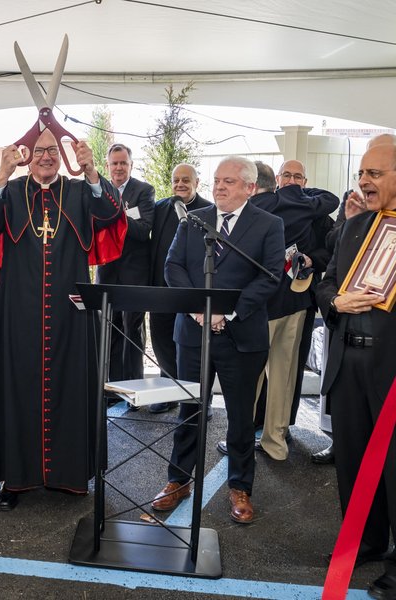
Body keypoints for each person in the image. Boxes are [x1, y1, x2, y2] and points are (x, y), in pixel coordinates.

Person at [0, 129, 126, 510]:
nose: (45, 157)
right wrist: (1, 174)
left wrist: (91, 172)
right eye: (38, 151)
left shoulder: (77, 191)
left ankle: (70, 475)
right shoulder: (11, 190)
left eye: (52, 151)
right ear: (27, 155)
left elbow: (111, 215)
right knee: (16, 391)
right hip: (19, 313)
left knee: (71, 387)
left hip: (70, 312)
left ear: (63, 155)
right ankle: (16, 478)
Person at [151, 156, 284, 524]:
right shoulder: (194, 220)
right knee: (189, 410)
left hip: (242, 336)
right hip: (193, 334)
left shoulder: (269, 225)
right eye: (217, 180)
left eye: (229, 181)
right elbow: (172, 266)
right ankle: (178, 481)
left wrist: (229, 313)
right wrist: (197, 308)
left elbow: (270, 276)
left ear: (250, 188)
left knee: (241, 416)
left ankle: (240, 487)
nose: (220, 187)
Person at [317, 143, 396, 599]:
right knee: (352, 461)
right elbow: (327, 282)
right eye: (361, 171)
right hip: (349, 362)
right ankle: (364, 541)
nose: (364, 181)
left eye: (375, 172)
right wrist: (336, 301)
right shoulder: (356, 226)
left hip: (392, 370)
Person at [233, 161, 337, 461]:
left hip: (289, 303)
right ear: (277, 179)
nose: (292, 181)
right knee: (263, 375)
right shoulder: (299, 203)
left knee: (280, 375)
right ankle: (257, 440)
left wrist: (308, 259)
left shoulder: (259, 205)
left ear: (305, 180)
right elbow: (330, 197)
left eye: (298, 176)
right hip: (264, 305)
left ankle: (269, 439)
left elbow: (324, 251)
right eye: (287, 175)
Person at [147, 163, 211, 413]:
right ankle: (170, 391)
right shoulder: (162, 207)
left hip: (190, 291)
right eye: (176, 180)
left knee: (190, 346)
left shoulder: (208, 209)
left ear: (196, 182)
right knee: (161, 339)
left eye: (186, 180)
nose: (180, 185)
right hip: (161, 289)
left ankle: (196, 397)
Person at [95, 144, 155, 392]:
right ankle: (112, 388)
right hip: (107, 271)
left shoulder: (143, 190)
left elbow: (143, 230)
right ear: (107, 166)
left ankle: (133, 388)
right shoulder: (99, 191)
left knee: (132, 329)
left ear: (131, 165)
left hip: (134, 274)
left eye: (123, 163)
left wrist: (116, 216)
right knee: (110, 330)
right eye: (114, 163)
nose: (119, 167)